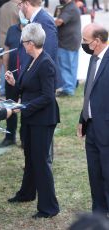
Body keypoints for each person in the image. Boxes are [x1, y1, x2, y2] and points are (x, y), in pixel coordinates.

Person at [6, 23, 60, 219]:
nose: (23, 46)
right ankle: (27, 193)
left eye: (24, 42)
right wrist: (15, 82)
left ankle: (49, 207)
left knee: (40, 161)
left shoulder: (45, 63)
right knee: (30, 157)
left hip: (42, 120)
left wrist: (24, 107)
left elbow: (48, 96)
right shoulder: (32, 60)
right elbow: (28, 86)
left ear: (31, 42)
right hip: (30, 117)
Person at [77, 23, 109, 215]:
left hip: (106, 128)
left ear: (97, 42)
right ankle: (98, 210)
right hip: (92, 127)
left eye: (85, 41)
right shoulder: (93, 59)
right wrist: (83, 118)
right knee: (94, 173)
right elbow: (89, 91)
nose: (83, 44)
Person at [0, 10, 28, 147]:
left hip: (27, 76)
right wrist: (6, 71)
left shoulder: (34, 30)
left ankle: (25, 138)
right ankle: (10, 137)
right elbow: (6, 51)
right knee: (10, 106)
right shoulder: (12, 30)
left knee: (26, 107)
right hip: (12, 76)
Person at [55, 0, 81, 96]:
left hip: (67, 42)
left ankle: (68, 89)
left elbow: (59, 21)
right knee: (71, 66)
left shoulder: (70, 7)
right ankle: (71, 87)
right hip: (72, 41)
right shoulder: (71, 6)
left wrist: (50, 22)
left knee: (65, 66)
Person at [0, 0, 20, 96]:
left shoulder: (3, 7)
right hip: (13, 38)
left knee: (4, 62)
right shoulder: (17, 7)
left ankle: (3, 88)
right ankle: (8, 86)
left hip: (2, 37)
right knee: (11, 64)